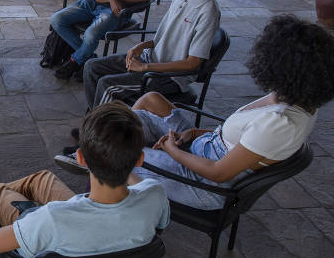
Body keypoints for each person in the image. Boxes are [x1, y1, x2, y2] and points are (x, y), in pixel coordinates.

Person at [129, 15, 334, 210]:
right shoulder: (292, 97)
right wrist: (192, 134)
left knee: (112, 150)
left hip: (202, 184)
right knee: (150, 101)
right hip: (205, 147)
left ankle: (123, 183)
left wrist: (172, 149)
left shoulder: (279, 123)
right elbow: (236, 139)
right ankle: (136, 165)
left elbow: (218, 173)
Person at [0, 102, 169, 258]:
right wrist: (121, 160)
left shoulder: (51, 218)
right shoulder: (155, 194)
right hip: (103, 250)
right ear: (139, 160)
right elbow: (142, 188)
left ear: (80, 158)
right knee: (42, 179)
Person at [83, 0, 230, 109]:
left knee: (107, 85)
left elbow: (193, 63)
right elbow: (166, 36)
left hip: (168, 77)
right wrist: (142, 45)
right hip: (151, 57)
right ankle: (97, 122)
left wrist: (146, 67)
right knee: (92, 67)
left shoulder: (208, 11)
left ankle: (100, 130)